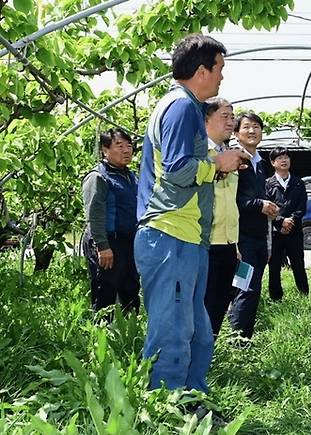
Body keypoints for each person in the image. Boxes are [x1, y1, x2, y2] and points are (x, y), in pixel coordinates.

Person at [134, 34, 248, 392]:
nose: (221, 78)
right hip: (170, 235)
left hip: (187, 238)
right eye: (219, 70)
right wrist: (219, 163)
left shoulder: (185, 107)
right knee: (172, 332)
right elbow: (179, 169)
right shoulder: (181, 107)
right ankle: (167, 410)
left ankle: (192, 398)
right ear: (202, 71)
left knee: (196, 333)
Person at [228, 111, 279, 339]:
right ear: (236, 134)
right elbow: (231, 199)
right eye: (246, 127)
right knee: (244, 288)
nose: (252, 131)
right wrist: (260, 204)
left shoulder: (258, 163)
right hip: (241, 238)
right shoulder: (235, 161)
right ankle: (237, 339)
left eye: (256, 126)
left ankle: (245, 336)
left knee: (254, 288)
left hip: (257, 237)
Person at [82, 128, 139, 314]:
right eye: (119, 146)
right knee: (105, 289)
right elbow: (94, 215)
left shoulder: (130, 177)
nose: (126, 150)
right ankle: (101, 334)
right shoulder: (98, 177)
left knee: (130, 288)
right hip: (107, 242)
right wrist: (102, 246)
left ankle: (130, 334)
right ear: (105, 150)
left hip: (128, 241)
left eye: (129, 146)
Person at [203, 97, 242, 337]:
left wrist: (234, 242)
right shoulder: (198, 153)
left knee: (218, 306)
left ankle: (208, 360)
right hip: (205, 242)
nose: (231, 122)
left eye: (232, 116)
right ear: (207, 119)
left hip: (227, 243)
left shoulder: (227, 154)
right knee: (204, 306)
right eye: (224, 116)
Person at [265, 146, 309, 301]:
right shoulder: (268, 184)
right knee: (274, 267)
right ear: (273, 163)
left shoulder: (298, 183)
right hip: (275, 232)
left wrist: (291, 221)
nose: (284, 160)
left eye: (286, 157)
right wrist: (280, 221)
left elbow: (302, 207)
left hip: (294, 231)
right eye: (279, 158)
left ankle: (304, 296)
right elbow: (267, 207)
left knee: (298, 265)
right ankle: (276, 298)